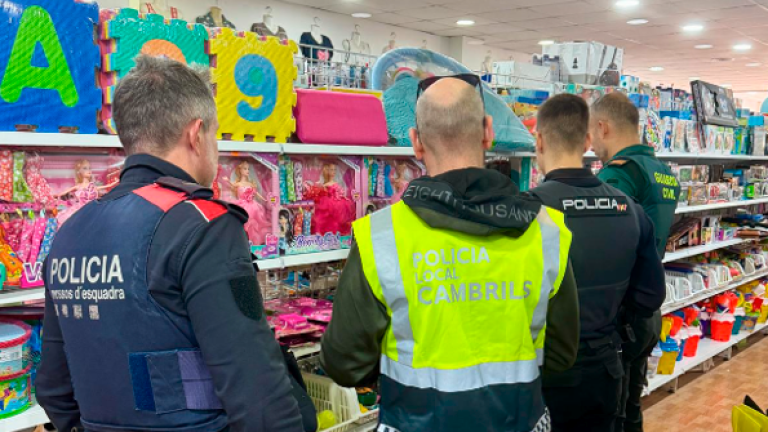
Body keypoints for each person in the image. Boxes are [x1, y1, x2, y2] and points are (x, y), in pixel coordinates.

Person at [36, 56, 315, 432]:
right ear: (196, 134)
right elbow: (258, 394)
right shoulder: (202, 224)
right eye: (215, 135)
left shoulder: (70, 233)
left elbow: (54, 388)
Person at [320, 74, 580, 432]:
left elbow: (344, 362)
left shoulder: (381, 236)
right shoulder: (546, 231)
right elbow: (561, 354)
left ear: (416, 142)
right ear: (488, 131)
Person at [530, 94, 666, 431]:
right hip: (604, 370)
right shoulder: (630, 210)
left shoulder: (525, 211)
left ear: (540, 139)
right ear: (588, 140)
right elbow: (650, 297)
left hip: (542, 373)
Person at [590, 92, 680, 432]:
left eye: (591, 132)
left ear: (603, 127)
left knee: (612, 411)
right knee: (632, 404)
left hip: (621, 312)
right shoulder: (664, 172)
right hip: (648, 307)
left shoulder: (619, 176)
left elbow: (606, 246)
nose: (591, 142)